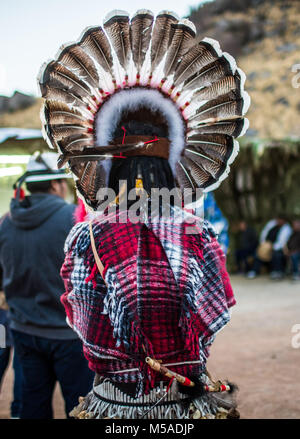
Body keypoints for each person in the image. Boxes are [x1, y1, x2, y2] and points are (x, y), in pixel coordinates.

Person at [38, 8, 250, 419]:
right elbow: (213, 311)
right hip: (184, 399)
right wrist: (178, 359)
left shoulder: (90, 235)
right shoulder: (197, 233)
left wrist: (125, 364)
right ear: (173, 166)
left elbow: (84, 320)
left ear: (111, 168)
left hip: (113, 402)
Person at [0, 152, 94, 419]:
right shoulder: (74, 219)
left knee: (32, 407)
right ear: (55, 185)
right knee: (80, 410)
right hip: (69, 337)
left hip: (24, 334)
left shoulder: (6, 222)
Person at [247, 215, 292, 280]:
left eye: (280, 220)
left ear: (284, 221)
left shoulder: (287, 228)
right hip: (266, 244)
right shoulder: (272, 224)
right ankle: (254, 271)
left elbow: (282, 241)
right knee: (258, 254)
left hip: (279, 247)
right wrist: (264, 244)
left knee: (276, 255)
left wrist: (272, 247)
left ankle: (278, 271)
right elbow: (264, 233)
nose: (278, 221)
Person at [0, 292, 23, 418]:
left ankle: (18, 412)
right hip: (21, 313)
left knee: (21, 366)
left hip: (5, 314)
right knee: (22, 367)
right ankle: (18, 412)